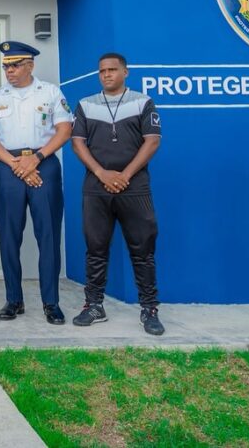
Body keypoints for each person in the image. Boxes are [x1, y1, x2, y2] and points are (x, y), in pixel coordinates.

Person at [70, 53, 164, 335]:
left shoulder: (142, 102)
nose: (107, 75)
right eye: (102, 71)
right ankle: (94, 305)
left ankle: (149, 309)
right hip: (96, 187)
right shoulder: (86, 104)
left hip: (134, 187)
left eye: (112, 70)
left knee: (143, 250)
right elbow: (77, 143)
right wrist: (102, 174)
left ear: (125, 72)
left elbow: (153, 141)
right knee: (96, 249)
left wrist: (124, 175)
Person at [0, 41, 72, 325]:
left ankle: (51, 302)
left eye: (15, 65)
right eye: (6, 66)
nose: (9, 70)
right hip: (9, 166)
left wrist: (37, 158)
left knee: (48, 235)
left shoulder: (50, 92)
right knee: (9, 236)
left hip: (44, 163)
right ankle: (14, 300)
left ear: (30, 65)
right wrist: (18, 165)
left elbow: (65, 129)